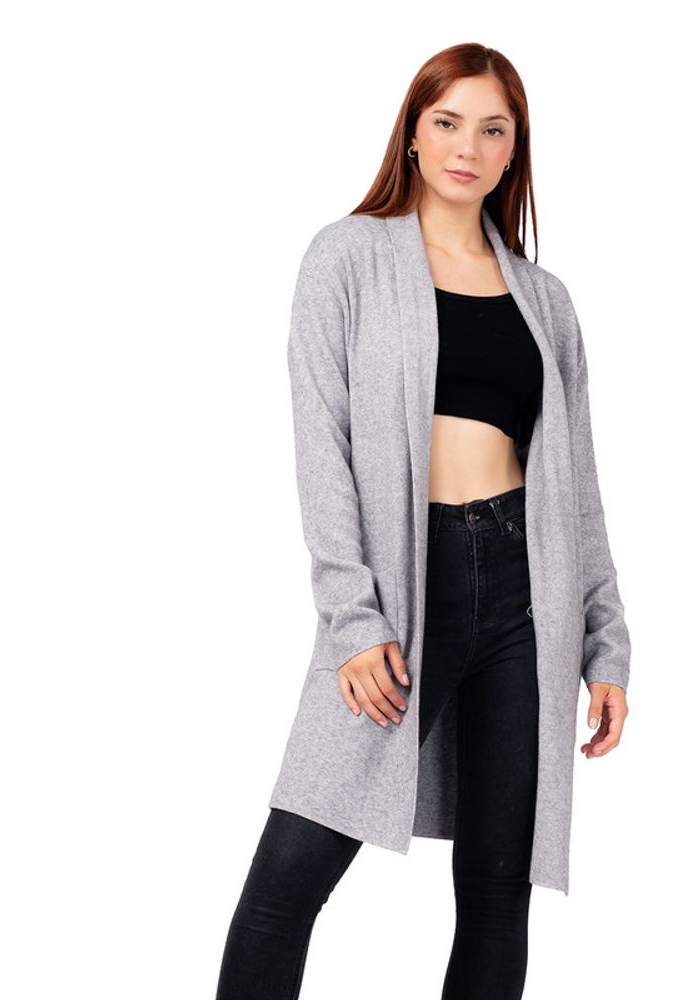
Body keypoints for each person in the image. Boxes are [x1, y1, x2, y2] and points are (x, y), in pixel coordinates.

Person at [216, 42, 632, 1000]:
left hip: (525, 598)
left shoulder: (545, 300)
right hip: (405, 592)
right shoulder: (347, 257)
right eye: (447, 122)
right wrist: (351, 618)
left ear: (514, 149)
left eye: (493, 130)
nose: (467, 148)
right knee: (287, 882)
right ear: (412, 132)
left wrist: (605, 642)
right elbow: (320, 444)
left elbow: (577, 487)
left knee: (496, 894)